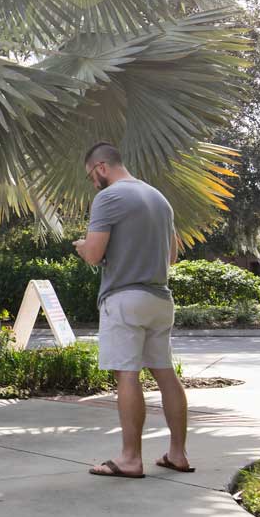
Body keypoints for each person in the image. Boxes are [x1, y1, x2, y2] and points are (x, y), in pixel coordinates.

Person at [74, 142, 192, 480]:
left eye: (90, 177)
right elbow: (171, 257)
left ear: (100, 167)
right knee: (165, 373)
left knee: (127, 374)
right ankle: (178, 454)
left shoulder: (108, 198)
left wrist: (83, 248)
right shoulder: (160, 199)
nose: (93, 183)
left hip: (125, 299)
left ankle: (130, 458)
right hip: (160, 298)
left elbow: (95, 255)